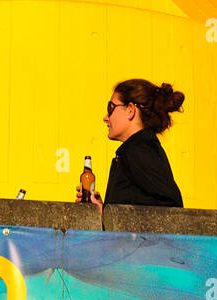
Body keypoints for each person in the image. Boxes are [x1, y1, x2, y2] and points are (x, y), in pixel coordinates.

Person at [78, 79, 184, 208]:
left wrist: (106, 214)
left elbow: (172, 207)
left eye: (111, 108)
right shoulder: (135, 149)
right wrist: (103, 208)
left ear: (130, 110)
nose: (106, 118)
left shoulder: (139, 150)